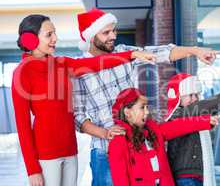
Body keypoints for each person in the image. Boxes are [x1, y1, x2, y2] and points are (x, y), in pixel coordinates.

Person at [72, 8, 220, 186]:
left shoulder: (124, 52)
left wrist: (194, 51)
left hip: (136, 147)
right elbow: (78, 117)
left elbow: (161, 53)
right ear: (91, 37)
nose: (113, 36)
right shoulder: (78, 69)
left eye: (114, 30)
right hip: (104, 151)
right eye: (106, 32)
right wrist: (106, 133)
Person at [11, 14, 155, 186]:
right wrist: (32, 169)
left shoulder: (61, 63)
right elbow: (23, 126)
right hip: (45, 155)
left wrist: (132, 54)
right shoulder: (22, 73)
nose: (55, 39)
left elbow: (96, 63)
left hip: (70, 151)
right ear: (30, 39)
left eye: (55, 33)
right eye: (49, 35)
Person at [108, 88, 220, 186]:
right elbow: (120, 179)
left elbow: (179, 126)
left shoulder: (154, 131)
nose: (147, 112)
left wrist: (205, 120)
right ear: (128, 112)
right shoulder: (118, 140)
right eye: (142, 108)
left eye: (147, 107)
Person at [165, 73, 220, 186]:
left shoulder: (192, 114)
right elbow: (201, 107)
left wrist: (208, 122)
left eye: (197, 94)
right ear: (177, 96)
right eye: (190, 95)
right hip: (186, 178)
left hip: (195, 176)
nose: (195, 99)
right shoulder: (176, 114)